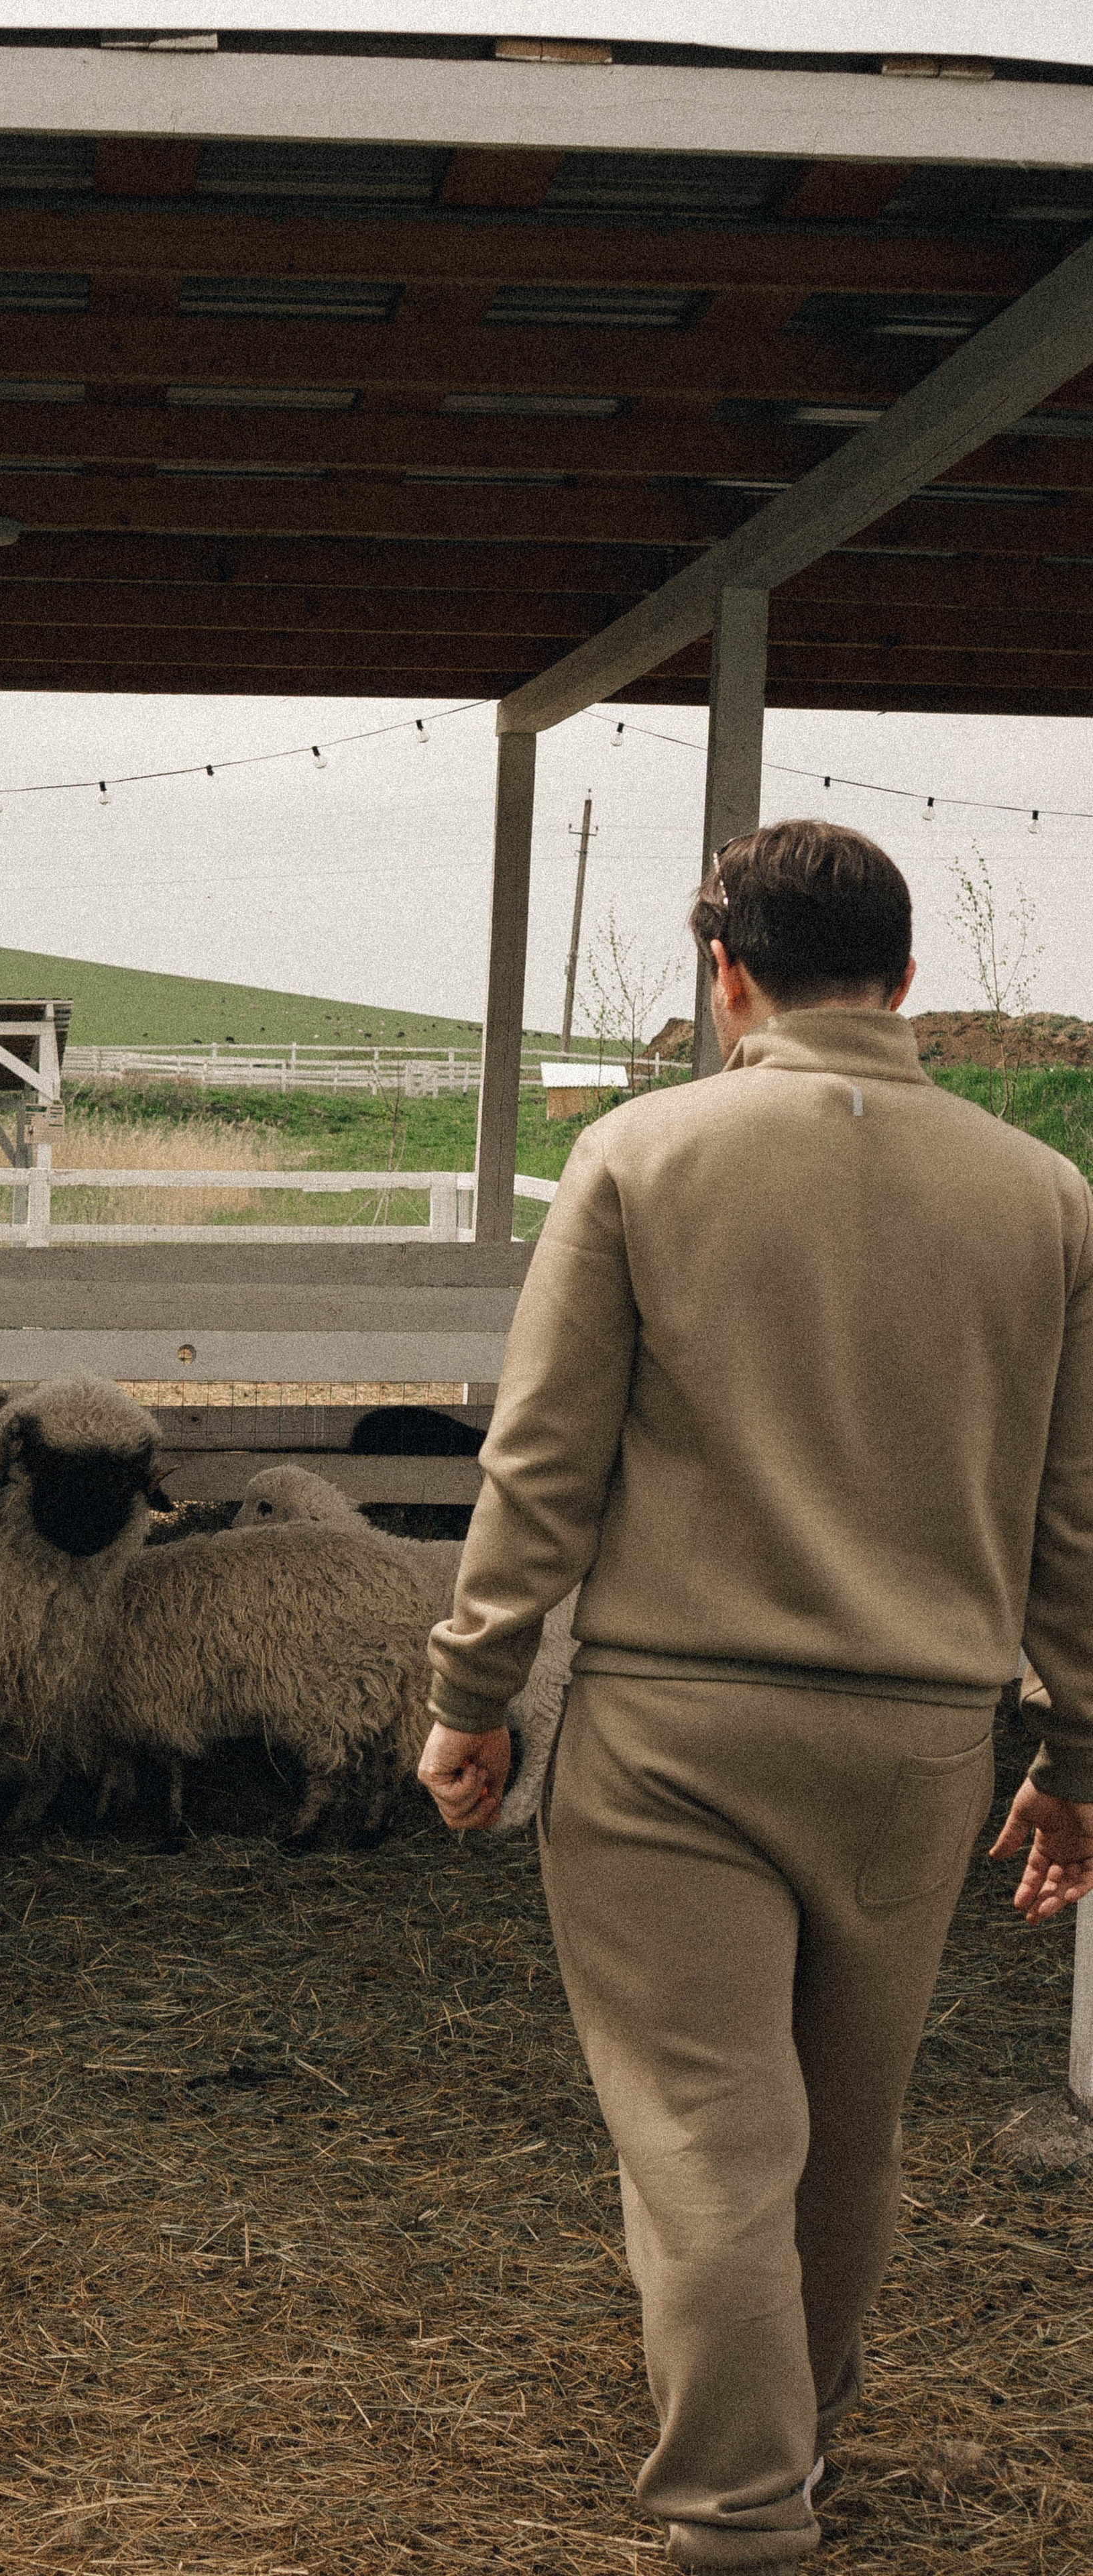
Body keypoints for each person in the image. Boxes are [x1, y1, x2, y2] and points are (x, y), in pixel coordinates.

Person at [416, 819, 1093, 2571]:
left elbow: (543, 1465)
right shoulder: (1045, 1201)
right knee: (847, 2133)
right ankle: (798, 2451)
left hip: (673, 1736)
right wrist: (1080, 1750)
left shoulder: (640, 1159)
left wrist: (473, 1688)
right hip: (925, 1739)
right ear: (909, 979)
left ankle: (735, 2521)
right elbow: (1075, 1515)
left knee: (711, 2137)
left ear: (729, 975)